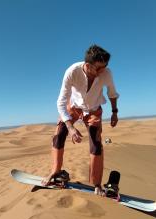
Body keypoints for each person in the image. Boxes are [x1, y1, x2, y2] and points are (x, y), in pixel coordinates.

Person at [42, 44, 119, 195]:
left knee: (96, 143)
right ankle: (55, 172)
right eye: (99, 68)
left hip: (94, 109)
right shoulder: (72, 72)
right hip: (75, 106)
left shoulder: (106, 73)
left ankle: (97, 183)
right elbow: (61, 103)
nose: (103, 70)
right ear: (88, 65)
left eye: (105, 66)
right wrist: (71, 128)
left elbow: (112, 93)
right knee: (59, 134)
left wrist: (114, 112)